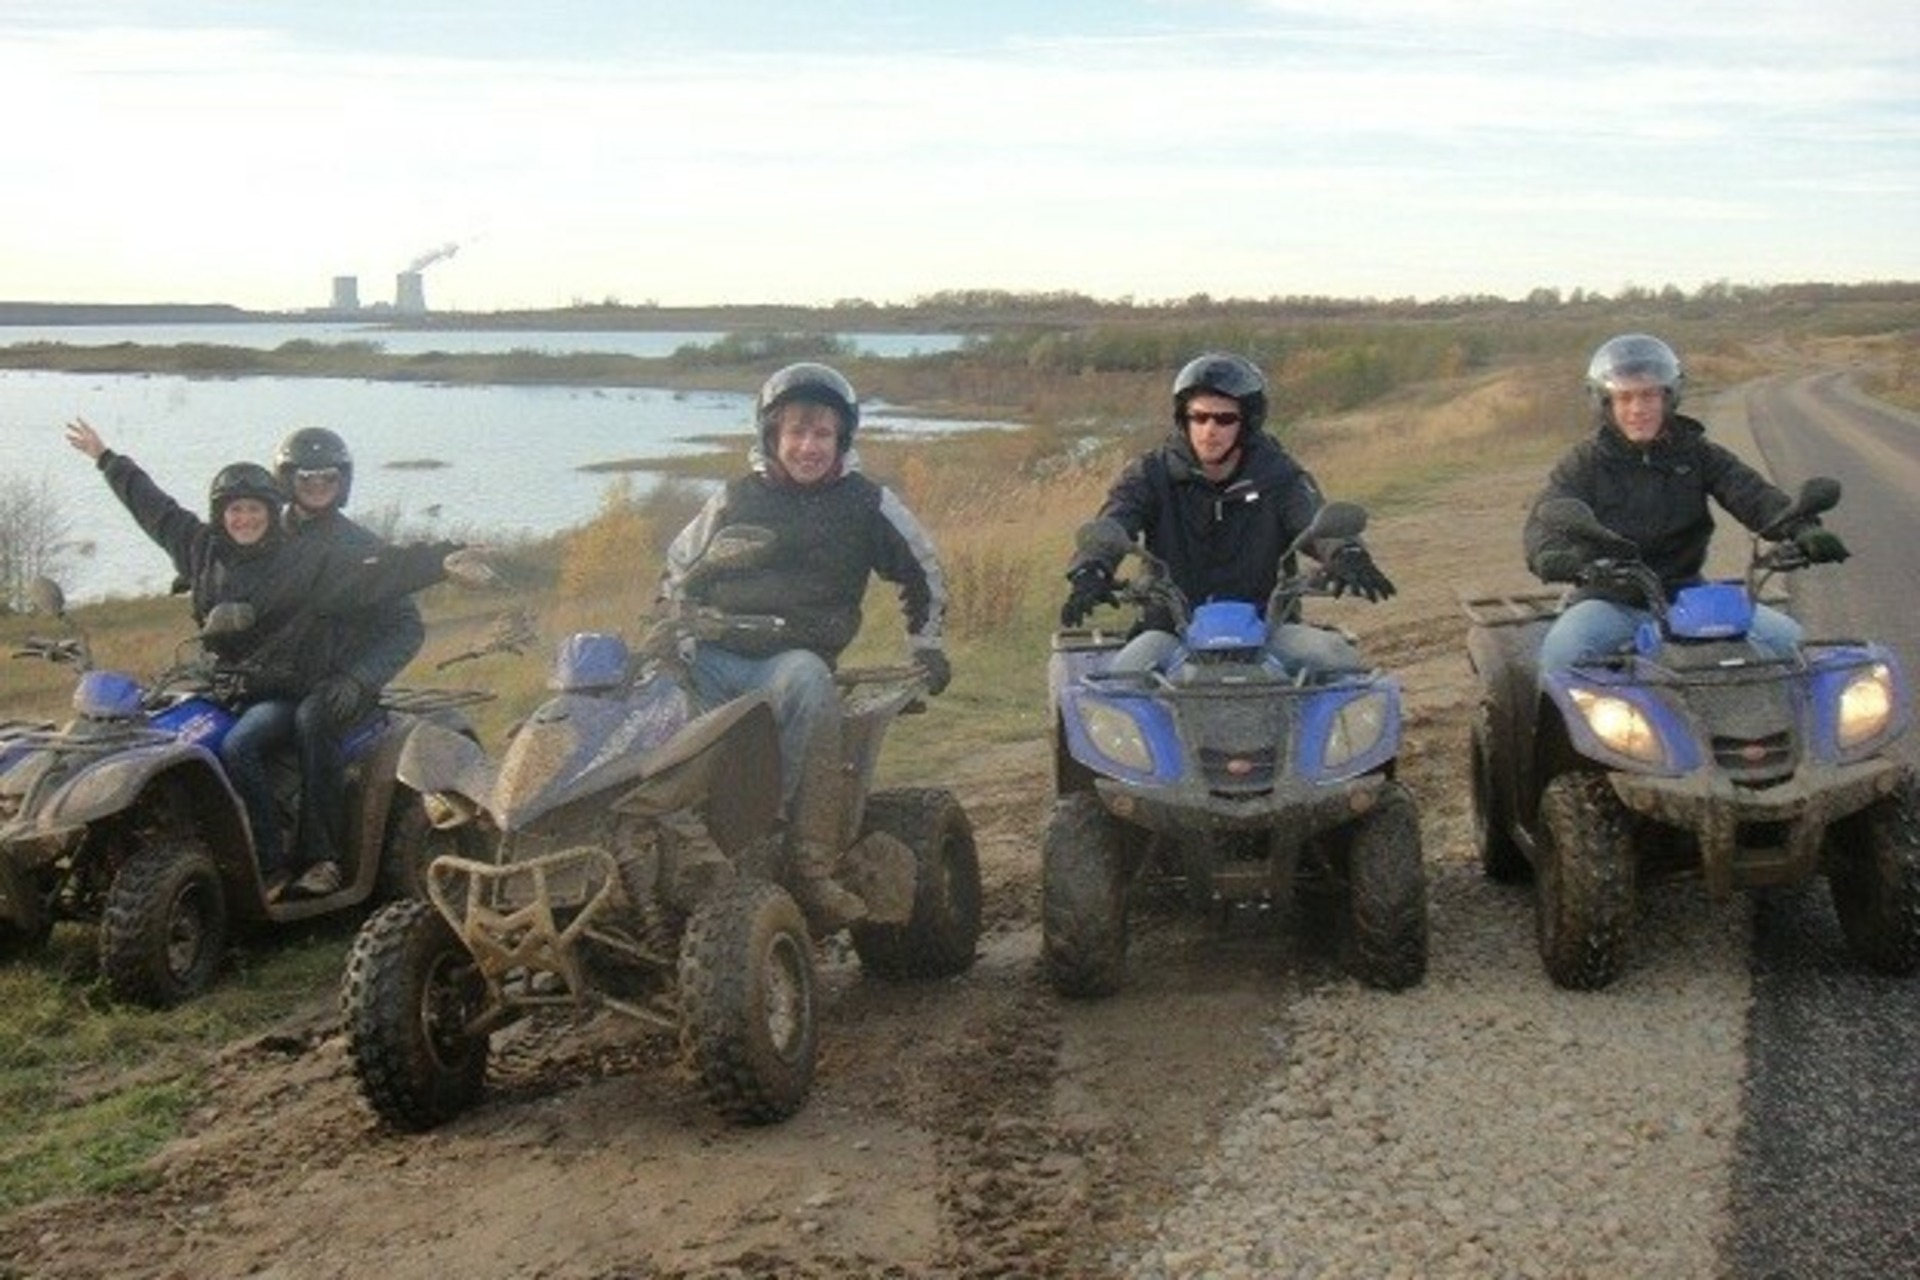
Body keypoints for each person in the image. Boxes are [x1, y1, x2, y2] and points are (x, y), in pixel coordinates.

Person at [66, 419, 470, 899]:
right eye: (235, 510)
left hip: (296, 685)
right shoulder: (201, 547)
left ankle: (290, 861)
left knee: (266, 736)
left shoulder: (306, 560)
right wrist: (106, 458)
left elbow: (381, 576)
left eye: (254, 509)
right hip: (228, 683)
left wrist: (440, 562)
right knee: (156, 729)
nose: (245, 519)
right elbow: (154, 509)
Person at [660, 362, 951, 931]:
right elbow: (678, 567)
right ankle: (675, 842)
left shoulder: (867, 503)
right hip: (714, 654)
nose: (809, 446)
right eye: (796, 432)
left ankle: (804, 859)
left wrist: (928, 644)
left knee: (807, 682)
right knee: (652, 696)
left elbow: (924, 571)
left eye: (823, 434)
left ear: (843, 438)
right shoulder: (734, 497)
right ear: (772, 436)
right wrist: (671, 626)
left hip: (787, 659)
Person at [1523, 333, 1849, 673]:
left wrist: (1803, 529)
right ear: (1606, 403)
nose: (1638, 409)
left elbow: (1753, 495)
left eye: (1649, 395)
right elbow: (1549, 515)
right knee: (1562, 657)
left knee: (1793, 644)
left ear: (1669, 397)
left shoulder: (1698, 453)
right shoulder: (1583, 463)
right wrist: (1550, 554)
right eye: (1625, 398)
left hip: (1688, 598)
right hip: (1611, 600)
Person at [1058, 351, 1395, 674]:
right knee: (1123, 680)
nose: (1209, 429)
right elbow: (1116, 519)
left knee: (1336, 660)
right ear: (1183, 419)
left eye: (1224, 419)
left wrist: (1346, 552)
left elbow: (1313, 520)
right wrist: (1093, 567)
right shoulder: (1150, 473)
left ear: (1247, 422)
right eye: (1199, 417)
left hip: (1268, 627)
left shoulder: (1278, 475)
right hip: (1171, 630)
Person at [271, 426, 428, 895]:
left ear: (343, 481)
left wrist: (359, 679)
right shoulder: (263, 537)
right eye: (306, 477)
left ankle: (323, 860)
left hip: (337, 687)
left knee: (312, 720)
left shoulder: (363, 548)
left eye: (327, 477)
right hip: (273, 676)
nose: (317, 486)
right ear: (286, 480)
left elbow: (407, 626)